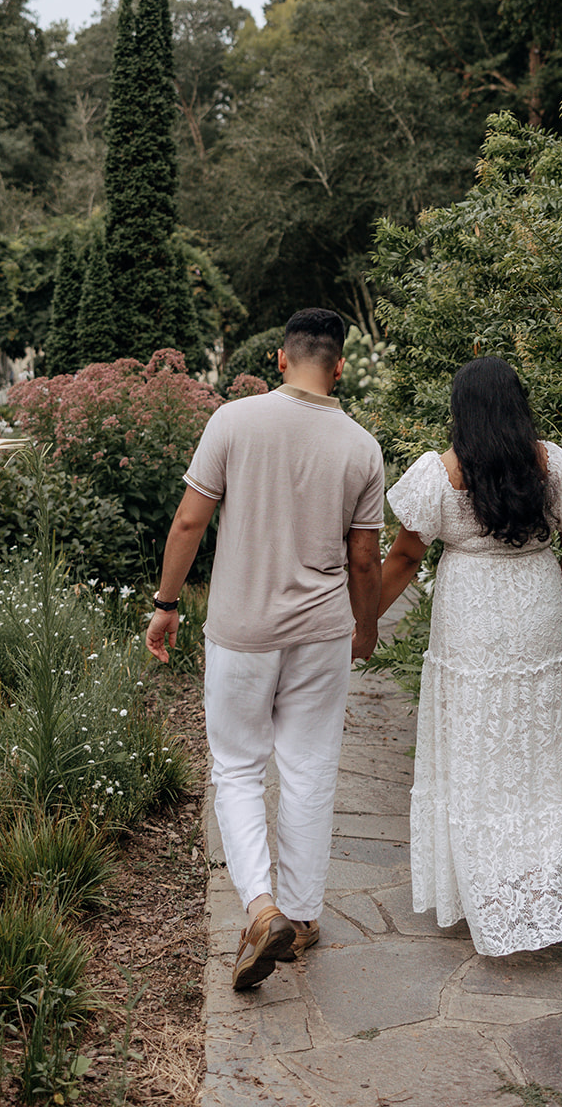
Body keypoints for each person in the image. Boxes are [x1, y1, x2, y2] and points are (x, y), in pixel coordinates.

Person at [146, 308, 384, 990]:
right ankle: (303, 917)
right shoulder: (360, 446)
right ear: (338, 367)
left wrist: (166, 605)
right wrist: (362, 627)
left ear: (281, 360)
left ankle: (261, 909)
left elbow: (190, 520)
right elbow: (364, 558)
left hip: (242, 631)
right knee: (309, 767)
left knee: (239, 769)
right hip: (320, 632)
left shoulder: (232, 422)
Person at [379, 355, 562, 957]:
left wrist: (362, 618)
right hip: (537, 608)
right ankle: (541, 889)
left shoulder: (439, 473)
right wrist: (556, 605)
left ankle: (483, 891)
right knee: (539, 749)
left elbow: (402, 559)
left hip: (470, 618)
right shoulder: (552, 465)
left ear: (462, 411)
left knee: (476, 746)